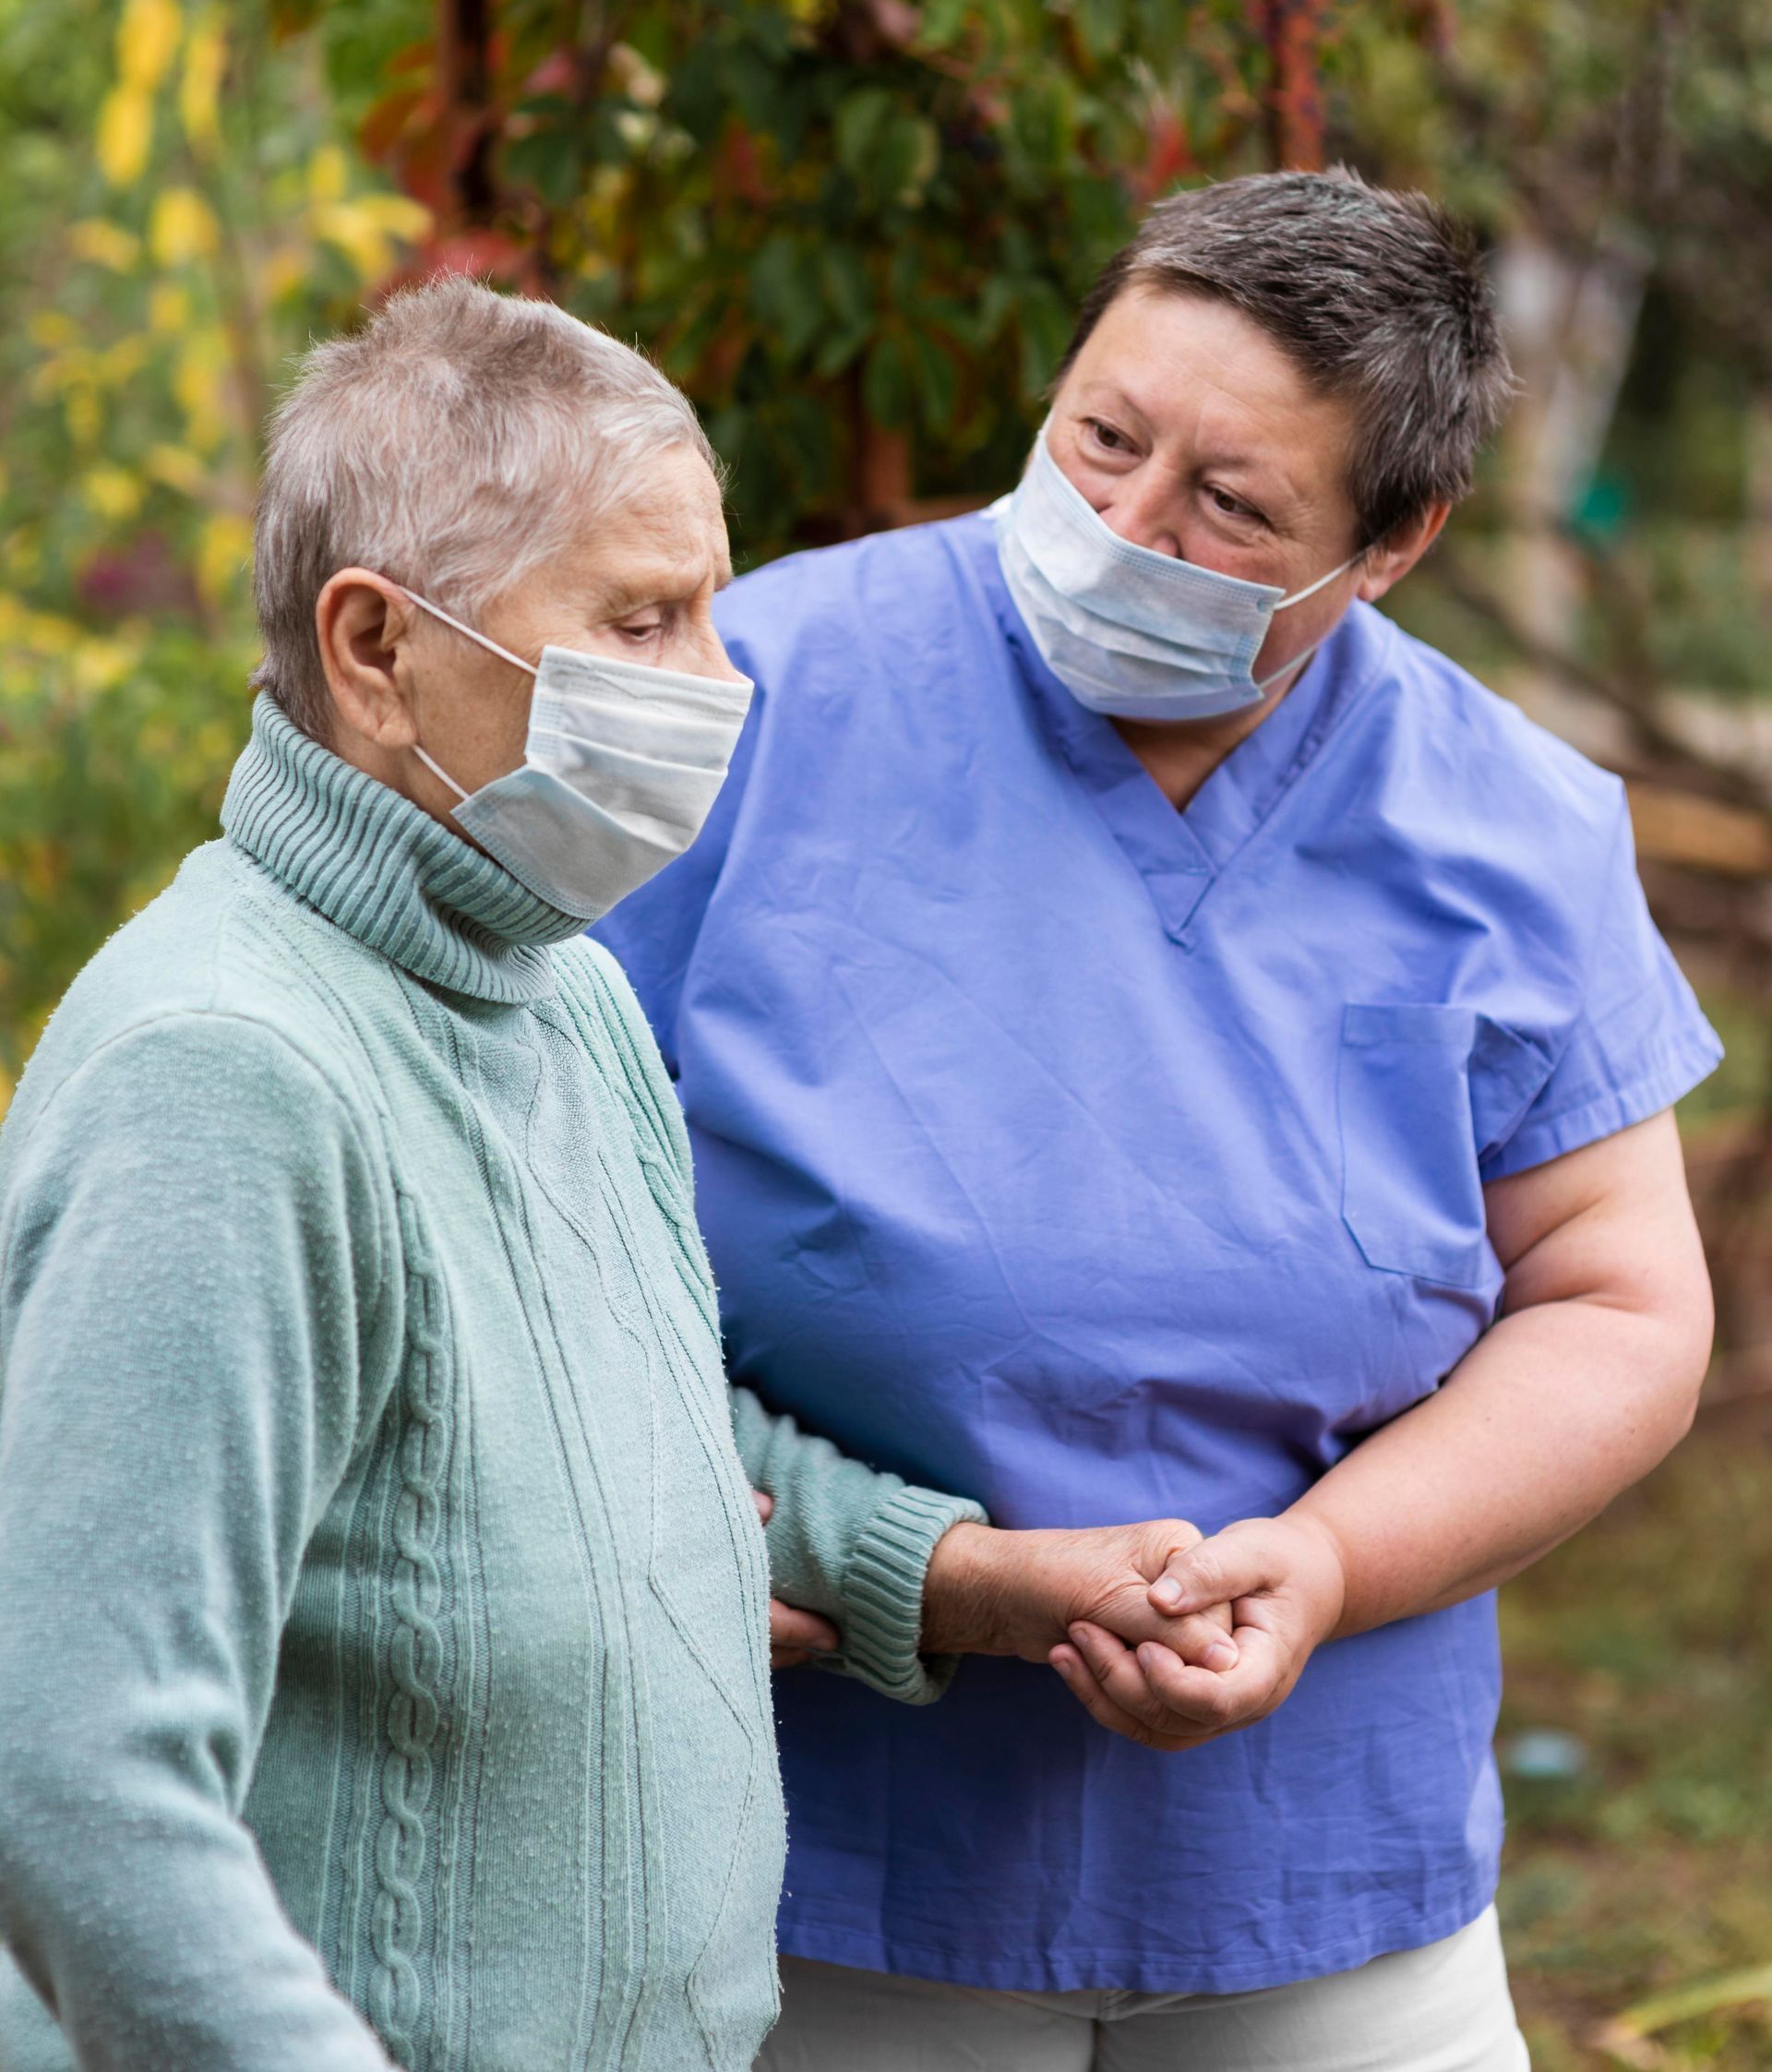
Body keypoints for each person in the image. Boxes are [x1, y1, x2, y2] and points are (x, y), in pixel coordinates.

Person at [0, 279, 1238, 2072]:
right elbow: (72, 1768)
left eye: (711, 612)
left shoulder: (559, 993)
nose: (717, 687)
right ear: (373, 648)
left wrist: (980, 1581)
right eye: (640, 621)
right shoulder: (229, 1077)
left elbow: (643, 1441)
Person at [596, 171, 1721, 2072]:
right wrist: (908, 1567)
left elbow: (1618, 1303)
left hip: (1321, 1865)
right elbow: (530, 1228)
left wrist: (1333, 1563)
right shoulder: (764, 692)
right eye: (1102, 437)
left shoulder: (1507, 828)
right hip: (835, 1849)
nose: (1121, 525)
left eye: (1231, 505)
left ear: (1392, 542)